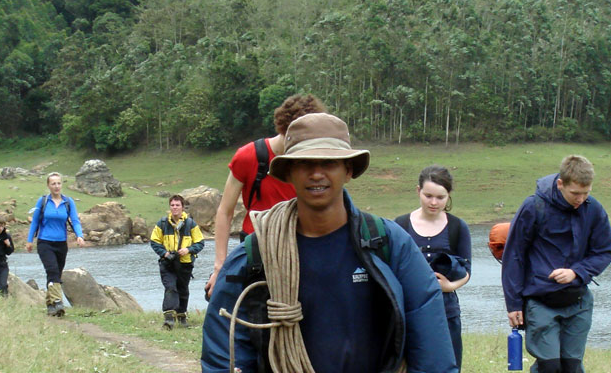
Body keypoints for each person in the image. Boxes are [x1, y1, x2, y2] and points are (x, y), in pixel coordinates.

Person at [202, 113, 456, 373]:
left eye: (329, 163)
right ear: (289, 173)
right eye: (304, 163)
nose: (316, 173)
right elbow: (225, 355)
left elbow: (431, 347)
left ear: (348, 171)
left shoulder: (388, 243)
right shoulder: (256, 254)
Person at [205, 94, 328, 299]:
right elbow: (225, 212)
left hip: (300, 247)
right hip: (256, 248)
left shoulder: (313, 164)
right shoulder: (248, 156)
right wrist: (220, 266)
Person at [501, 155, 611, 373]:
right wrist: (513, 304)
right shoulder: (533, 206)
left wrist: (577, 272)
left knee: (572, 367)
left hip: (578, 301)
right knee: (549, 367)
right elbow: (514, 256)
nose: (580, 199)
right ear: (560, 183)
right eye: (575, 193)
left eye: (586, 192)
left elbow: (605, 251)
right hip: (540, 301)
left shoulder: (594, 209)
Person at [394, 165, 471, 370]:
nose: (434, 202)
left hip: (446, 310)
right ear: (418, 191)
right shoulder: (400, 225)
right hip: (408, 310)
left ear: (449, 196)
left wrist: (449, 286)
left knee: (448, 366)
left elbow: (467, 270)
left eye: (440, 197)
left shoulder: (458, 227)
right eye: (428, 195)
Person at [26, 172, 85, 317]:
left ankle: (50, 305)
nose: (56, 186)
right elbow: (35, 222)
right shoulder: (43, 201)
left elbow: (75, 221)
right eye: (53, 183)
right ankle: (58, 301)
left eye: (58, 183)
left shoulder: (68, 202)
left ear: (61, 184)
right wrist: (29, 240)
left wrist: (79, 235)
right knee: (52, 271)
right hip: (45, 242)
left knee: (55, 274)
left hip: (61, 244)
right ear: (48, 185)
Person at [150, 195, 206, 329]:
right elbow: (154, 241)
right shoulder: (162, 224)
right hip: (167, 263)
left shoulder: (190, 224)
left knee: (183, 289)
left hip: (185, 263)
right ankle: (169, 318)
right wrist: (165, 253)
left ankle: (181, 315)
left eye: (177, 205)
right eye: (172, 205)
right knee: (170, 287)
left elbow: (200, 243)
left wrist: (189, 249)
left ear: (182, 207)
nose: (175, 208)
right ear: (169, 207)